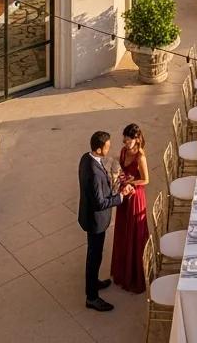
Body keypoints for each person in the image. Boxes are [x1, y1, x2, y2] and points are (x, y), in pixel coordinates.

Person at [78, 130, 134, 311]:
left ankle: (93, 282)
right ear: (98, 149)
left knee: (94, 254)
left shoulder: (86, 158)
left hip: (89, 216)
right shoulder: (94, 173)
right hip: (96, 221)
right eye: (107, 146)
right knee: (94, 257)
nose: (109, 148)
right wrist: (121, 196)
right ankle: (92, 297)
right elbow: (100, 202)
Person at [110, 123, 149, 293]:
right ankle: (122, 270)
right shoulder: (124, 151)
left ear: (137, 139)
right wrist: (120, 180)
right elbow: (120, 170)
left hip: (135, 197)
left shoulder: (140, 157)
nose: (125, 144)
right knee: (122, 231)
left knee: (134, 233)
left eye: (128, 141)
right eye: (124, 141)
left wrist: (131, 183)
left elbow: (146, 180)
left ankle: (135, 274)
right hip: (124, 195)